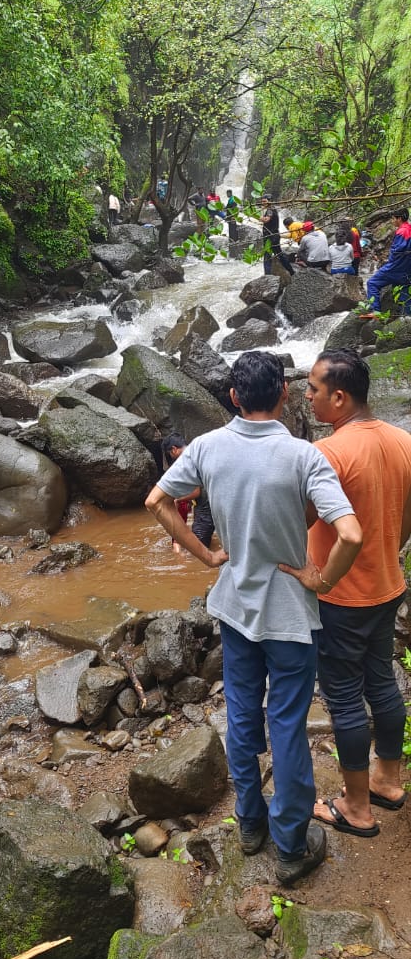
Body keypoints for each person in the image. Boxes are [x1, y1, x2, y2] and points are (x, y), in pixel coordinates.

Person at [145, 351, 362, 886]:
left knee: (242, 716)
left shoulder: (206, 447)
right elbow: (350, 534)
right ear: (284, 393)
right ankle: (291, 846)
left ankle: (249, 823)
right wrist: (322, 580)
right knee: (286, 726)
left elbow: (156, 501)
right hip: (290, 616)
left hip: (236, 609)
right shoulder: (304, 456)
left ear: (234, 397)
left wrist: (205, 554)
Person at [304, 349, 411, 837]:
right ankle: (388, 781)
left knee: (345, 699)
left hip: (342, 596)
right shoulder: (403, 440)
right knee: (382, 682)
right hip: (387, 585)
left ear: (339, 397)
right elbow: (406, 517)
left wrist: (316, 577)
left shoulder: (329, 452)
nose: (307, 396)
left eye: (314, 389)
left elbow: (301, 519)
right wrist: (388, 550)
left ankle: (357, 807)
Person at [161, 433, 215, 550]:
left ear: (174, 449)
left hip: (206, 507)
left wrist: (177, 499)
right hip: (215, 501)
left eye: (170, 454)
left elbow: (196, 492)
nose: (172, 458)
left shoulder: (186, 460)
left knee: (198, 550)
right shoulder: (197, 453)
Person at [362, 206, 411, 317]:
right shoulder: (410, 228)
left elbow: (397, 251)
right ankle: (407, 318)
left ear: (399, 219)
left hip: (396, 267)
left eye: (393, 218)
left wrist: (389, 262)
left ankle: (375, 311)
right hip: (408, 269)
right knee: (404, 292)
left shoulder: (402, 231)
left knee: (372, 283)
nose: (392, 221)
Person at [260, 197, 295, 276]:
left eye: (264, 201)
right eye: (262, 201)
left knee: (267, 255)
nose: (263, 203)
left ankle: (267, 275)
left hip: (271, 236)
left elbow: (266, 219)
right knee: (279, 254)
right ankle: (291, 271)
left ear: (270, 201)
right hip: (274, 235)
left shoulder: (270, 210)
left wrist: (260, 218)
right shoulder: (272, 209)